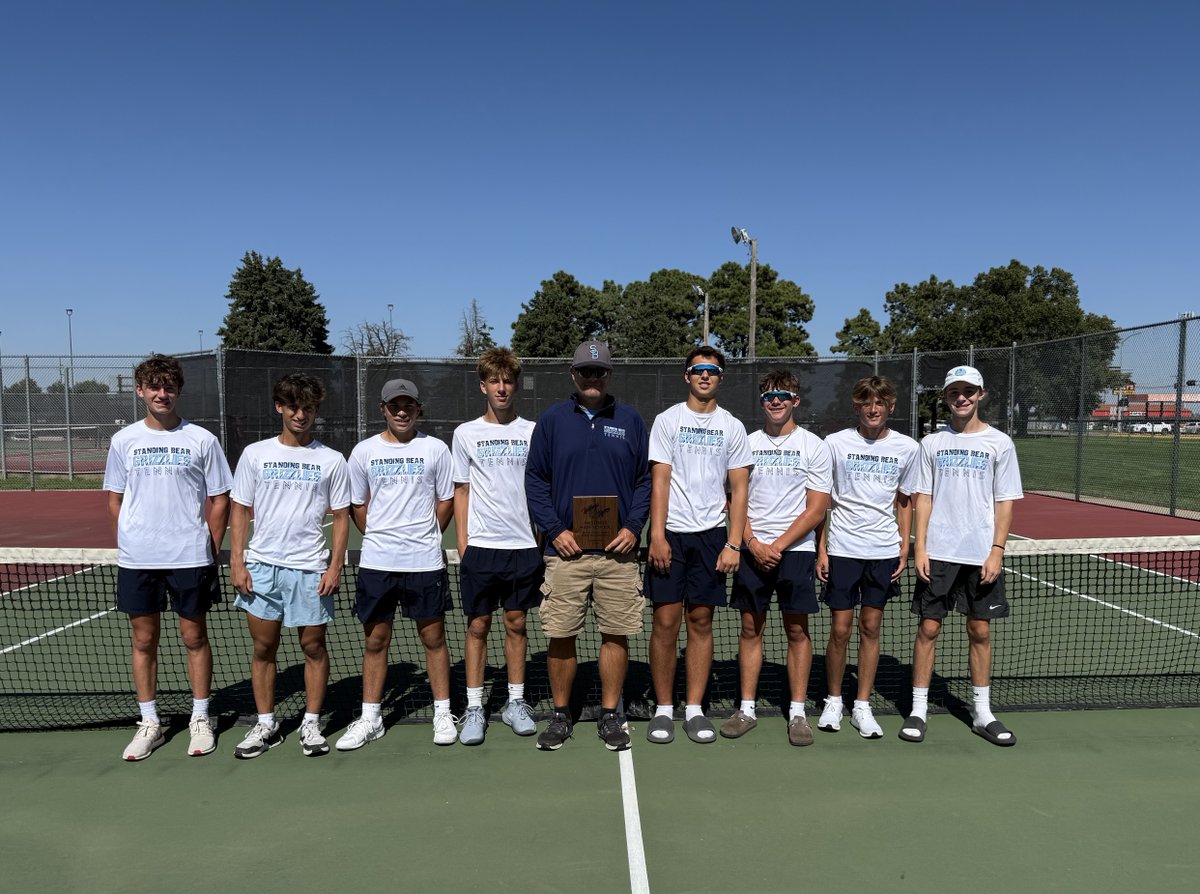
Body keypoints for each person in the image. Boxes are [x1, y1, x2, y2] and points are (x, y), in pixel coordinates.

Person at [104, 354, 232, 761]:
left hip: (189, 556)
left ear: (178, 391)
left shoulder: (202, 440)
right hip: (138, 559)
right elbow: (114, 499)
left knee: (194, 637)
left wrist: (208, 545)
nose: (162, 394)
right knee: (144, 640)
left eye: (169, 387)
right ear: (141, 390)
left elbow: (219, 499)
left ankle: (200, 717)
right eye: (154, 387)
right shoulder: (124, 440)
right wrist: (132, 537)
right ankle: (150, 723)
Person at [525, 341, 651, 751]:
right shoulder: (551, 420)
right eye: (585, 371)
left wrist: (634, 527)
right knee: (561, 635)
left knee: (616, 634)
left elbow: (644, 481)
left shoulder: (631, 420)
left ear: (609, 375)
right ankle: (562, 714)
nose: (591, 378)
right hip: (565, 553)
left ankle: (611, 712)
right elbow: (536, 481)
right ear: (572, 374)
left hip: (618, 554)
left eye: (599, 372)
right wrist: (555, 529)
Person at [228, 374, 350, 759]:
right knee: (264, 648)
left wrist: (335, 568)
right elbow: (240, 509)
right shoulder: (254, 454)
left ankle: (311, 724)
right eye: (294, 406)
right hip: (262, 568)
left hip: (310, 569)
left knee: (313, 646)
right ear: (279, 407)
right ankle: (266, 724)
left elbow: (342, 517)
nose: (301, 414)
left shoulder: (331, 460)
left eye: (309, 408)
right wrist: (237, 561)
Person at [900, 365, 1023, 746]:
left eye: (968, 391)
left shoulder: (999, 443)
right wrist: (920, 547)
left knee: (979, 630)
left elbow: (1005, 502)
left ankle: (982, 714)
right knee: (929, 628)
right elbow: (923, 496)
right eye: (955, 392)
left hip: (981, 554)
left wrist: (996, 551)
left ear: (981, 394)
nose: (962, 398)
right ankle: (918, 710)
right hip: (938, 552)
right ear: (947, 397)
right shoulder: (931, 444)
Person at [337, 379, 456, 751]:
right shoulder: (363, 452)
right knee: (376, 640)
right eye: (394, 405)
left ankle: (442, 712)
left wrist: (426, 536)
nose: (401, 411)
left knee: (433, 638)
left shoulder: (436, 449)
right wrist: (379, 537)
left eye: (408, 405)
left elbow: (446, 500)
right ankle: (371, 718)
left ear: (419, 409)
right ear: (383, 409)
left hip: (424, 562)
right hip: (377, 563)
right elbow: (358, 505)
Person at [646, 347, 752, 745]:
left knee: (701, 622)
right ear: (686, 376)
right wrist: (656, 534)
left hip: (712, 537)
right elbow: (659, 480)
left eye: (712, 370)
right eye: (698, 370)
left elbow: (739, 489)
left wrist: (734, 544)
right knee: (665, 622)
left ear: (720, 377)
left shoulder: (733, 426)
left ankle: (693, 708)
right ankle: (662, 709)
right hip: (671, 533)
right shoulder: (667, 420)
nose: (705, 376)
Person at [718, 370, 830, 746]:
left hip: (794, 554)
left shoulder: (815, 446)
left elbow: (817, 509)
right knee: (751, 630)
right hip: (752, 553)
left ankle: (797, 713)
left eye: (783, 395)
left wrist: (777, 546)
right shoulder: (745, 444)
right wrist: (751, 543)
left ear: (796, 400)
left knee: (797, 631)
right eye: (769, 396)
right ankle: (746, 709)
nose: (776, 401)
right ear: (761, 401)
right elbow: (733, 499)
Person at [816, 376, 918, 740]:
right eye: (866, 403)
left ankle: (862, 705)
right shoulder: (835, 444)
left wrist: (904, 545)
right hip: (843, 549)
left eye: (880, 403)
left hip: (883, 552)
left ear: (890, 407)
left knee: (871, 628)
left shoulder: (907, 448)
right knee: (840, 630)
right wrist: (822, 547)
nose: (873, 409)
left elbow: (905, 500)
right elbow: (823, 500)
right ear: (856, 407)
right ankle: (833, 700)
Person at [451, 348, 542, 745]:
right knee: (477, 625)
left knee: (517, 624)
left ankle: (515, 703)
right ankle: (474, 708)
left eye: (508, 381)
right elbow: (462, 490)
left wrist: (539, 539)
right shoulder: (465, 434)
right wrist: (464, 545)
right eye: (494, 381)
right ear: (483, 386)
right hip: (482, 549)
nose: (502, 387)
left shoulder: (534, 431)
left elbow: (542, 488)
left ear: (515, 385)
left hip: (524, 546)